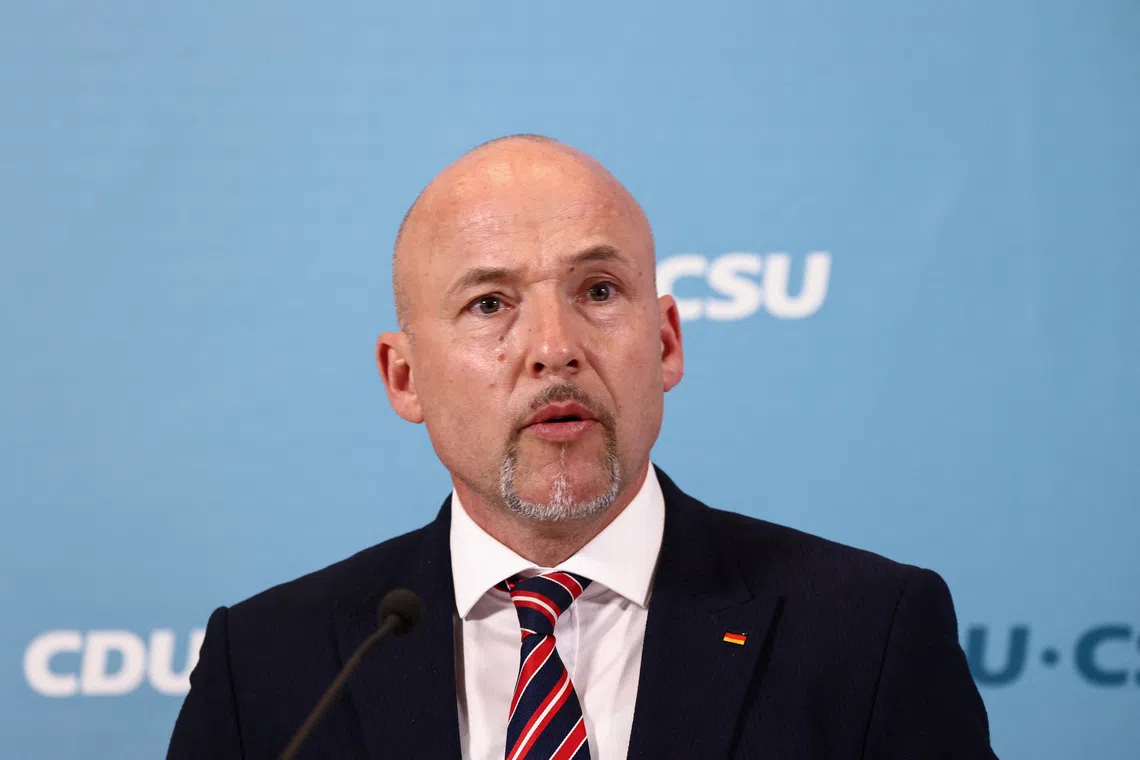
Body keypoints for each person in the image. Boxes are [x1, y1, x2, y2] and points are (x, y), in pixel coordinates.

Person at [168, 135, 997, 759]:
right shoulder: (271, 667)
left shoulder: (868, 635)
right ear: (405, 377)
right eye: (490, 304)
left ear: (666, 342)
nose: (554, 347)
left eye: (598, 291)